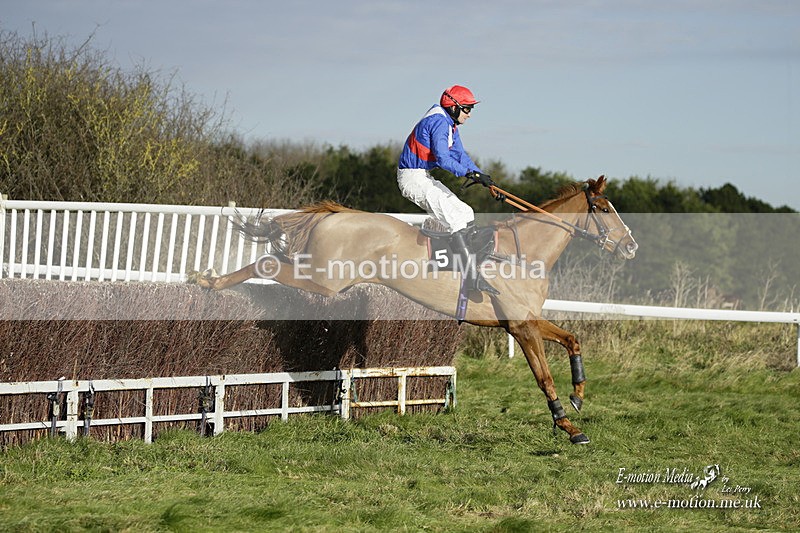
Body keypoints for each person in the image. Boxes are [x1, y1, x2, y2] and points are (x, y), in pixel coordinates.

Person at [397, 85, 499, 295]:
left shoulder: (450, 124)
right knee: (455, 220)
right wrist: (468, 174)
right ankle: (471, 278)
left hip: (423, 176)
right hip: (412, 178)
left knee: (466, 213)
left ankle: (466, 266)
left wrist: (482, 177)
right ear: (454, 107)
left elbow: (461, 155)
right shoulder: (438, 122)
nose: (470, 114)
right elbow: (443, 159)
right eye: (467, 109)